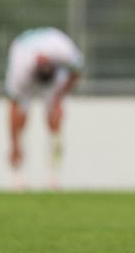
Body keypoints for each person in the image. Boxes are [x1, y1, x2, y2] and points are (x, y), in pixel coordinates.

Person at [5, 27, 83, 189]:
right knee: (21, 120)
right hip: (24, 62)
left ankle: (53, 176)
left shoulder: (63, 50)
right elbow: (13, 106)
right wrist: (14, 144)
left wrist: (59, 97)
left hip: (54, 75)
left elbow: (77, 72)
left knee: (55, 121)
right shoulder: (20, 69)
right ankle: (17, 175)